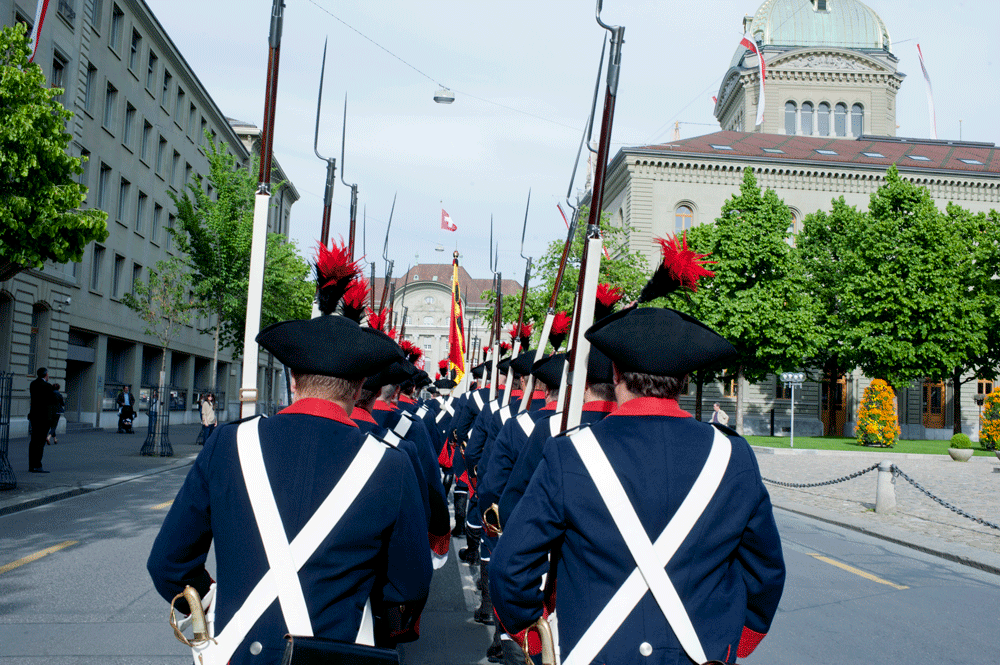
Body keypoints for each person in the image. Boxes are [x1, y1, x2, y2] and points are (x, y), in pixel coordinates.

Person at [491, 307, 786, 665]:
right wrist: (734, 641)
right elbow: (764, 572)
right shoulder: (733, 455)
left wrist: (534, 638)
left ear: (614, 371)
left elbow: (511, 567)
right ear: (685, 379)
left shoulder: (569, 455)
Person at [147, 314, 432, 665]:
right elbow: (409, 589)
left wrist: (212, 602)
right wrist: (377, 634)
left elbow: (167, 564)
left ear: (293, 381)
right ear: (359, 389)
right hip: (341, 656)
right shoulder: (391, 465)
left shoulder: (227, 443)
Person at [28, 367, 52, 472]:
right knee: (40, 442)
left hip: (34, 416)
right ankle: (37, 465)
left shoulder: (33, 384)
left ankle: (31, 465)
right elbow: (50, 403)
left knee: (33, 441)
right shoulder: (47, 386)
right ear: (46, 375)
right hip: (43, 418)